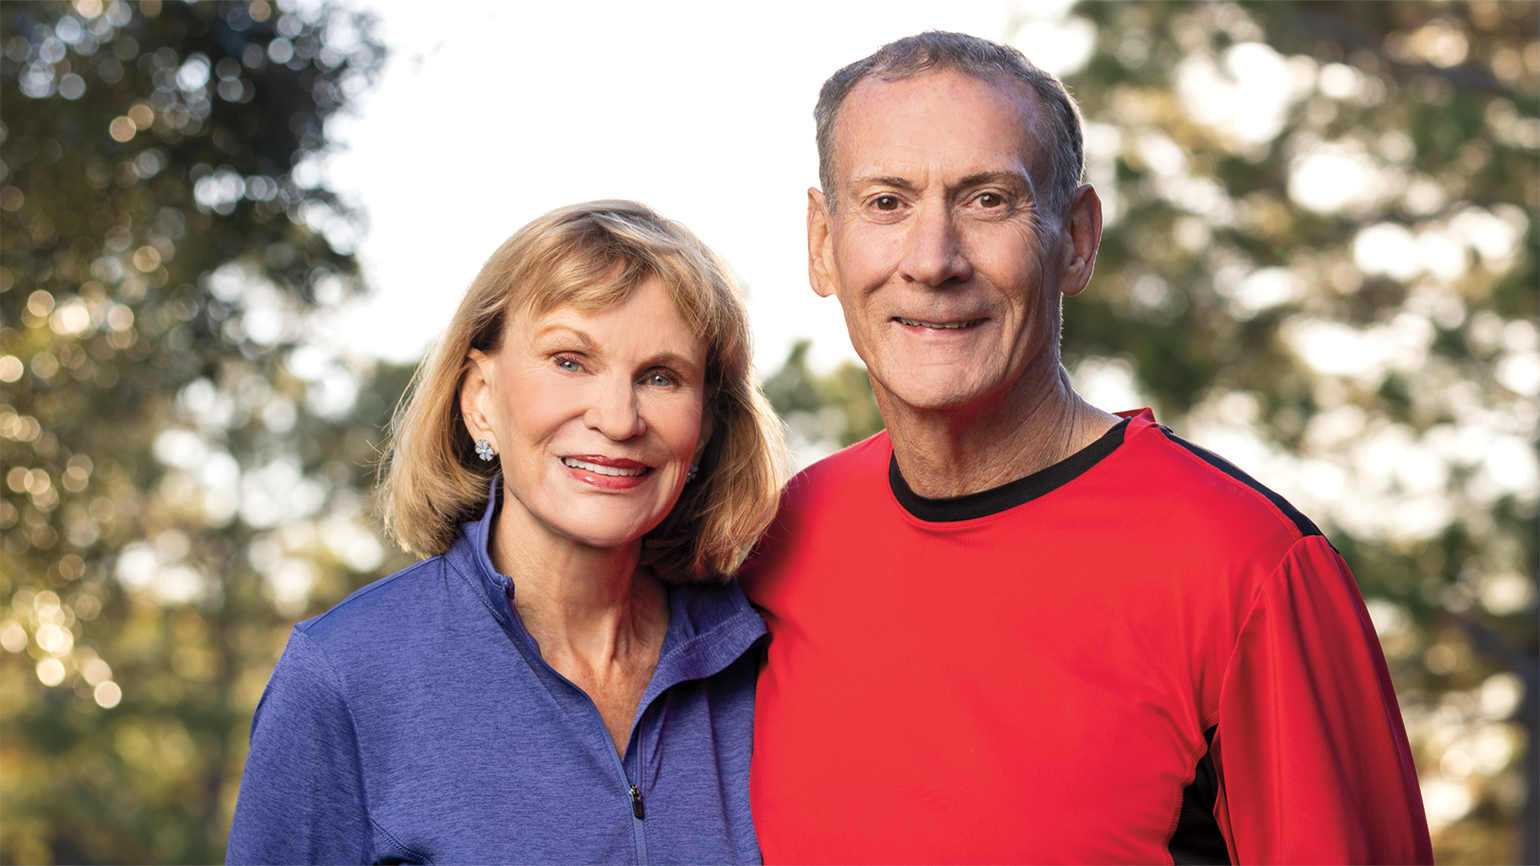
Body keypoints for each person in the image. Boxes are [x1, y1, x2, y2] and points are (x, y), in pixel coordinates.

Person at [741, 32, 1433, 865]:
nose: (933, 260)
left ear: (1075, 238)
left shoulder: (1247, 568)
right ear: (823, 240)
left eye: (987, 200)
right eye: (887, 202)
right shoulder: (775, 544)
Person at [227, 200, 785, 864]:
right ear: (481, 399)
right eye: (571, 360)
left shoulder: (769, 657)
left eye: (661, 377)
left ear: (706, 426)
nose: (617, 417)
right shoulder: (345, 676)